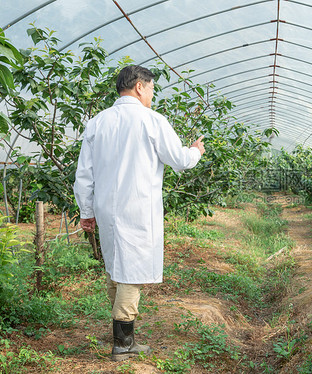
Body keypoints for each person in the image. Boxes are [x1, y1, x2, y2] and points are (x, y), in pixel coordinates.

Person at [73, 65, 205, 361]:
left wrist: (87, 210)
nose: (152, 96)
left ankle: (122, 334)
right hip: (138, 207)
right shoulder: (152, 121)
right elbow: (180, 160)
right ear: (139, 87)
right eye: (152, 90)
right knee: (130, 271)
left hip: (107, 208)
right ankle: (123, 342)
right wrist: (196, 150)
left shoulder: (98, 123)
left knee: (116, 265)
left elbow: (84, 174)